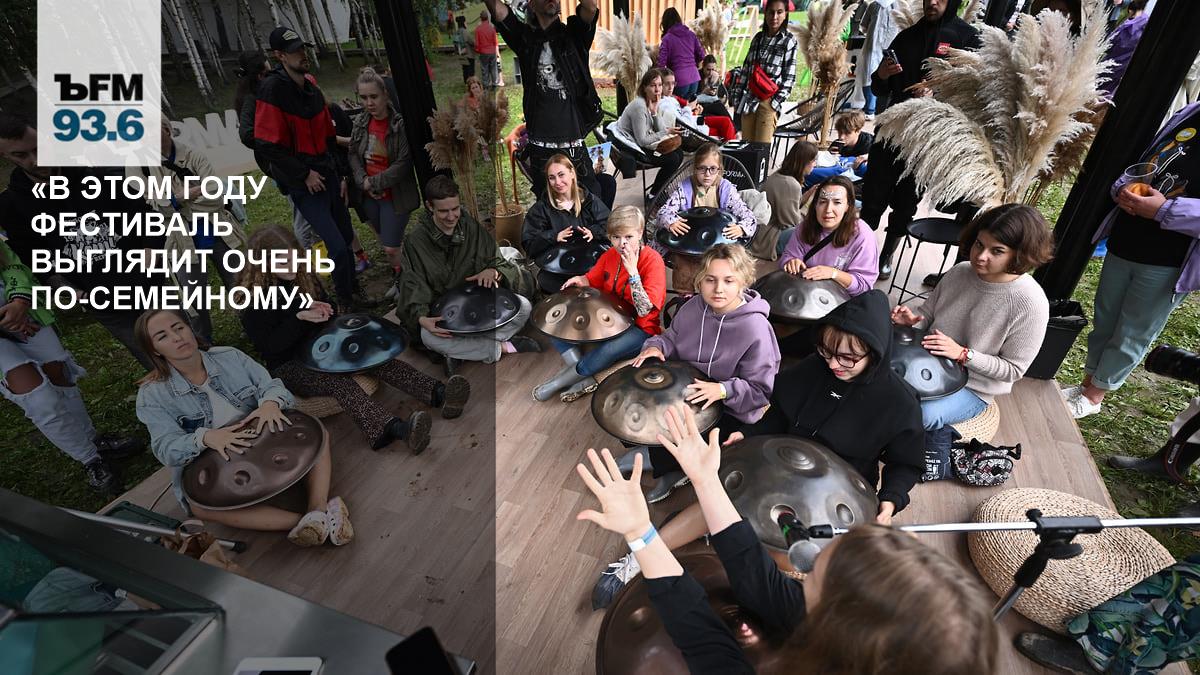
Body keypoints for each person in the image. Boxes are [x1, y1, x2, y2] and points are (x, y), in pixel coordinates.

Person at [576, 404, 998, 673]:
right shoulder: (850, 633)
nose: (806, 565)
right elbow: (760, 582)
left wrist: (641, 532)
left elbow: (699, 635)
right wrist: (706, 481)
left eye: (815, 575)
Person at [593, 290, 924, 608]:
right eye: (827, 352)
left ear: (875, 353)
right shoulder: (815, 367)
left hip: (837, 493)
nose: (835, 364)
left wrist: (890, 499)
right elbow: (779, 413)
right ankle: (640, 557)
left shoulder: (900, 402)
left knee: (793, 573)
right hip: (779, 462)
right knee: (719, 502)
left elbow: (905, 463)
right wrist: (749, 434)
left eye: (848, 358)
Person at [238, 226, 470, 453]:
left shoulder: (303, 276)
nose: (291, 266)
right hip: (289, 364)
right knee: (338, 382)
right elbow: (270, 347)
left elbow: (329, 312)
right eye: (282, 263)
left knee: (376, 357)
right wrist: (299, 318)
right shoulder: (252, 300)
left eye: (294, 259)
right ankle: (396, 430)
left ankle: (439, 392)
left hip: (322, 347)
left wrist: (326, 310)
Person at [134, 309, 352, 547]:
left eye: (179, 328)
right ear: (155, 350)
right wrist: (205, 438)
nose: (177, 337)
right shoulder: (152, 395)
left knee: (318, 435)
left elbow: (271, 385)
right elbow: (165, 448)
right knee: (200, 508)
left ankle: (317, 508)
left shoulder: (229, 356)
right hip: (217, 454)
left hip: (261, 433)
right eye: (163, 336)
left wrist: (270, 403)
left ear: (190, 329)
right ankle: (309, 523)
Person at [1061, 100, 1200, 420]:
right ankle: (1087, 384)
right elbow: (1148, 161)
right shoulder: (1191, 112)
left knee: (1132, 331)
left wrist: (1163, 210)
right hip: (1127, 240)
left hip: (1169, 260)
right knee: (1105, 320)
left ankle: (1095, 395)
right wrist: (1125, 187)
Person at [892, 205, 1052, 480]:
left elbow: (1014, 370)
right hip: (927, 364)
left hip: (974, 387)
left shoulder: (1030, 303)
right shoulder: (960, 272)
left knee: (921, 414)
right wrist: (911, 321)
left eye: (996, 251)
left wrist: (963, 354)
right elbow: (928, 314)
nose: (981, 256)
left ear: (1020, 254)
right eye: (979, 244)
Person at [0, 113, 167, 370]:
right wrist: (70, 290)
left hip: (149, 284)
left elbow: (146, 216)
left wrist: (150, 250)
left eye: (39, 149)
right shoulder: (11, 205)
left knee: (184, 344)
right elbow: (32, 256)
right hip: (102, 300)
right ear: (5, 155)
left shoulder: (95, 175)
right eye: (20, 155)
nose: (35, 160)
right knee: (153, 361)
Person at [627, 243, 780, 502]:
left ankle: (670, 469)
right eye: (710, 280)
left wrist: (722, 389)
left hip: (730, 406)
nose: (718, 289)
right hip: (689, 387)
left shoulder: (756, 328)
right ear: (700, 280)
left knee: (679, 426)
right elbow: (671, 338)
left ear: (743, 281)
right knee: (643, 398)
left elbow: (759, 391)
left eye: (728, 280)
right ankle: (654, 454)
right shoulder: (693, 307)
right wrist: (656, 347)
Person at [0, 239, 145, 492]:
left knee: (59, 372)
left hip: (21, 311)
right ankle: (90, 459)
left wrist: (19, 302)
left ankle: (92, 439)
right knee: (39, 398)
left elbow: (11, 263)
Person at [862, 0, 980, 280]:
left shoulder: (966, 38)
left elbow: (974, 92)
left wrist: (936, 96)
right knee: (873, 194)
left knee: (906, 200)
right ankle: (861, 250)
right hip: (893, 127)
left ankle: (886, 254)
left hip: (928, 136)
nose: (932, 3)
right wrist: (882, 74)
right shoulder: (907, 36)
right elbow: (878, 87)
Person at [254, 26, 357, 312]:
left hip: (329, 175)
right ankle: (343, 302)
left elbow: (328, 139)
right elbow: (266, 145)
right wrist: (304, 174)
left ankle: (353, 292)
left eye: (302, 48)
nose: (302, 54)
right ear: (280, 56)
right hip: (304, 184)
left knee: (346, 238)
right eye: (294, 51)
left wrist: (341, 175)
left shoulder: (312, 90)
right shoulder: (272, 90)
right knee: (335, 245)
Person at [397, 176, 541, 375]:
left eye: (455, 208)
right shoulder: (415, 242)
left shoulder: (470, 226)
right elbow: (413, 285)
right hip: (445, 313)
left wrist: (492, 271)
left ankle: (462, 351)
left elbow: (495, 258)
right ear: (430, 206)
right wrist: (421, 318)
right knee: (427, 336)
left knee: (524, 307)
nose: (451, 217)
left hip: (478, 303)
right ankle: (502, 347)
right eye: (444, 211)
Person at [129, 117, 248, 343]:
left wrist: (173, 201)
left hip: (216, 230)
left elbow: (215, 195)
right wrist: (186, 194)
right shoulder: (138, 166)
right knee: (193, 294)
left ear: (167, 129)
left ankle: (254, 325)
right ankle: (203, 340)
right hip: (179, 238)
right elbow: (150, 205)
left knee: (238, 282)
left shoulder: (193, 155)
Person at [534, 206, 666, 402]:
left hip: (640, 328)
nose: (622, 244)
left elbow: (644, 309)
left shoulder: (652, 261)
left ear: (640, 233)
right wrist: (580, 280)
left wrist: (633, 272)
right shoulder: (610, 254)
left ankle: (556, 383)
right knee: (555, 324)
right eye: (616, 237)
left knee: (607, 351)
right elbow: (591, 278)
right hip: (609, 320)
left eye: (628, 237)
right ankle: (585, 374)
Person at [487, 0, 604, 198]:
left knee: (593, 200)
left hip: (573, 142)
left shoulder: (574, 35)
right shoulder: (524, 39)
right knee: (550, 206)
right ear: (532, 5)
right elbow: (498, 11)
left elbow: (590, 7)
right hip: (540, 146)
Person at [348, 68, 420, 277]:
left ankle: (405, 280)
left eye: (374, 96)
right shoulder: (361, 123)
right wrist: (363, 181)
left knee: (390, 248)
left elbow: (403, 163)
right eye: (363, 98)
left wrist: (374, 183)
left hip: (395, 195)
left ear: (385, 95)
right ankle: (401, 272)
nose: (369, 103)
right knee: (386, 239)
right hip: (369, 194)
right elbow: (353, 154)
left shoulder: (399, 125)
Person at [778, 176, 879, 296]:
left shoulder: (863, 235)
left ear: (848, 206)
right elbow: (787, 256)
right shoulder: (805, 227)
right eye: (822, 202)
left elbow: (864, 285)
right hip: (804, 294)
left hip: (840, 300)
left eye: (837, 202)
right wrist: (791, 262)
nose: (828, 210)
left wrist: (833, 274)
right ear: (815, 205)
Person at [726, 0, 798, 145]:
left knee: (761, 149)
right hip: (749, 99)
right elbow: (746, 71)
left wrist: (773, 104)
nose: (774, 17)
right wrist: (737, 98)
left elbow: (789, 79)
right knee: (747, 147)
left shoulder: (788, 41)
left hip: (768, 101)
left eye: (779, 12)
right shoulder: (758, 39)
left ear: (785, 14)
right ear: (765, 13)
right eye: (771, 12)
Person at [655, 143, 757, 243]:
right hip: (690, 238)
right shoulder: (685, 189)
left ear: (719, 169)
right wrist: (671, 221)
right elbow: (663, 212)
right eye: (702, 168)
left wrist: (741, 228)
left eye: (713, 169)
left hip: (718, 240)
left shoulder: (726, 190)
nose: (707, 174)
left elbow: (749, 217)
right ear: (695, 168)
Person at [521, 153, 611, 260]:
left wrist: (593, 232)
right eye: (552, 178)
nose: (557, 182)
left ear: (572, 173)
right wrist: (554, 236)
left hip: (591, 260)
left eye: (561, 175)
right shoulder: (541, 209)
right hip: (559, 263)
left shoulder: (589, 200)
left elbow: (612, 227)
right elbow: (529, 245)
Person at [616, 68, 684, 199]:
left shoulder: (653, 102)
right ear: (644, 88)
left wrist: (654, 113)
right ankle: (653, 196)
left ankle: (659, 190)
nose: (657, 90)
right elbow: (642, 140)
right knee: (673, 159)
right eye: (653, 85)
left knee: (679, 153)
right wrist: (666, 131)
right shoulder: (639, 107)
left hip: (640, 142)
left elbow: (659, 129)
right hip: (631, 148)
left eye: (660, 85)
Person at [751, 140, 817, 260]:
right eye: (813, 161)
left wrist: (808, 194)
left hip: (762, 231)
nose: (815, 164)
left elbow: (790, 206)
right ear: (805, 162)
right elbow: (792, 223)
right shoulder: (790, 184)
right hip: (769, 237)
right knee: (811, 230)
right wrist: (809, 205)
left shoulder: (780, 174)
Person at [851, 0, 897, 117]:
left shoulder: (874, 5)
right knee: (881, 75)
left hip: (872, 46)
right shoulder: (897, 5)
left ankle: (870, 108)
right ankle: (875, 109)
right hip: (888, 47)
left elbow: (864, 26)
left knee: (868, 75)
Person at [804, 110, 872, 187]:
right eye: (840, 132)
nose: (841, 137)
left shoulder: (869, 143)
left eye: (847, 133)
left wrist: (868, 156)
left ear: (858, 131)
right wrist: (829, 154)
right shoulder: (837, 144)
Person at [1099, 0, 1149, 101]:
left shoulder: (1140, 24)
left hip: (1115, 67)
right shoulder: (1139, 21)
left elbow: (1110, 42)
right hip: (1113, 65)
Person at [656, 7, 706, 100]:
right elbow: (702, 55)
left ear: (664, 23)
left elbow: (661, 64)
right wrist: (692, 63)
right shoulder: (691, 34)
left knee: (677, 107)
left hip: (679, 80)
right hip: (695, 78)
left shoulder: (667, 38)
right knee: (689, 107)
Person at [475, 10, 500, 90]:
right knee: (493, 68)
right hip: (492, 51)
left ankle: (486, 85)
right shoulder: (492, 28)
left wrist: (478, 50)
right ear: (487, 18)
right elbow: (495, 41)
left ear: (481, 18)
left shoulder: (478, 29)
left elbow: (477, 43)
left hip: (483, 52)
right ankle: (494, 84)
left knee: (484, 68)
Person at [453, 15, 476, 82]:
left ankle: (466, 82)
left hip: (461, 53)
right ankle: (471, 83)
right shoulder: (465, 32)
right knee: (470, 70)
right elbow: (472, 42)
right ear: (463, 22)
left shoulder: (457, 32)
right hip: (469, 54)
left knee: (465, 69)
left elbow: (455, 43)